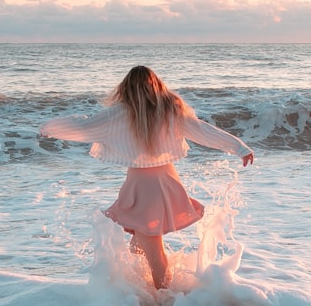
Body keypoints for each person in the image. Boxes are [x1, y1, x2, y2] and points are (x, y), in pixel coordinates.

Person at [39, 65, 254, 289]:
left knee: (153, 250)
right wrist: (239, 148)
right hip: (165, 180)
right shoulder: (170, 112)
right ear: (158, 85)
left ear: (126, 88)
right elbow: (204, 131)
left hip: (144, 186)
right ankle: (146, 292)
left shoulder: (119, 115)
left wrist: (49, 128)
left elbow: (83, 126)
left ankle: (165, 301)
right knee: (138, 245)